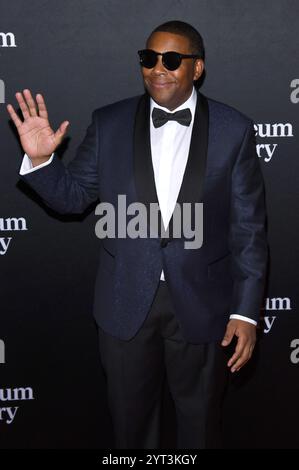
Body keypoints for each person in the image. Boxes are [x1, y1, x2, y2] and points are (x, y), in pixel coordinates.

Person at [7, 20, 268, 449]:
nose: (157, 69)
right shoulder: (109, 122)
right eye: (149, 59)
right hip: (125, 302)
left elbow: (249, 230)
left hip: (203, 304)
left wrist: (246, 312)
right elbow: (72, 199)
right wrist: (41, 162)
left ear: (196, 68)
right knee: (130, 430)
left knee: (201, 427)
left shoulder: (233, 129)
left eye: (171, 60)